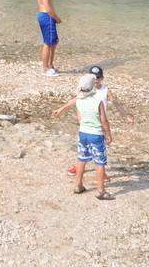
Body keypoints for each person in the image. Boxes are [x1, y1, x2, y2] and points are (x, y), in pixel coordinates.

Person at [52, 72, 113, 200]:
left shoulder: (79, 101)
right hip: (96, 135)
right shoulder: (98, 101)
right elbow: (104, 120)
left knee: (81, 159)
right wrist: (108, 134)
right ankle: (101, 191)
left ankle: (78, 185)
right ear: (93, 86)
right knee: (100, 162)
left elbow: (79, 119)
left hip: (83, 133)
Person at [36, 0, 61, 77]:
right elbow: (47, 6)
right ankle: (46, 69)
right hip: (47, 16)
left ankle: (50, 65)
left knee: (54, 42)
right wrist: (56, 18)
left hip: (46, 16)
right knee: (48, 43)